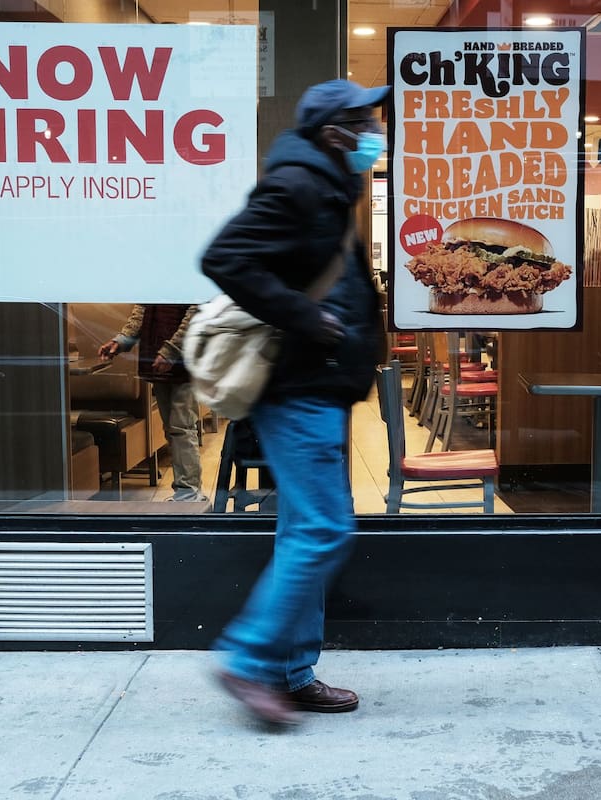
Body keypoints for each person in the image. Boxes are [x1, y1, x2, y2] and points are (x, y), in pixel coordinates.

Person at [200, 79, 388, 726]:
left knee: (303, 529)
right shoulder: (298, 186)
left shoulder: (331, 188)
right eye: (365, 122)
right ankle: (248, 661)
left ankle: (290, 672)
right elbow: (224, 257)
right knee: (323, 528)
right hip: (298, 387)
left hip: (322, 385)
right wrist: (309, 320)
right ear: (334, 132)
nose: (375, 132)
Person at [98, 304, 209, 503]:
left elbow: (195, 314)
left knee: (181, 428)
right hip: (159, 356)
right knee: (174, 429)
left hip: (184, 359)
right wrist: (121, 340)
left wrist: (172, 350)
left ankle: (189, 492)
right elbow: (143, 309)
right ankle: (186, 491)